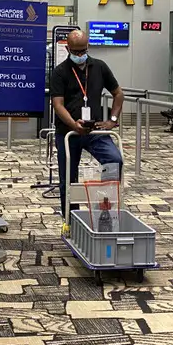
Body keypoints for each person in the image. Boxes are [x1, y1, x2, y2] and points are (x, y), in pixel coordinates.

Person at [50, 30, 124, 215]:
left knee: (114, 159)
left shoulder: (99, 67)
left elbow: (118, 94)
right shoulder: (60, 72)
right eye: (76, 52)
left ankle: (105, 209)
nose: (80, 55)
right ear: (68, 49)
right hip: (69, 132)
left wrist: (112, 121)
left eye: (83, 51)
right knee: (68, 177)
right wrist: (74, 124)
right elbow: (57, 104)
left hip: (96, 131)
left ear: (88, 47)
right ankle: (71, 219)